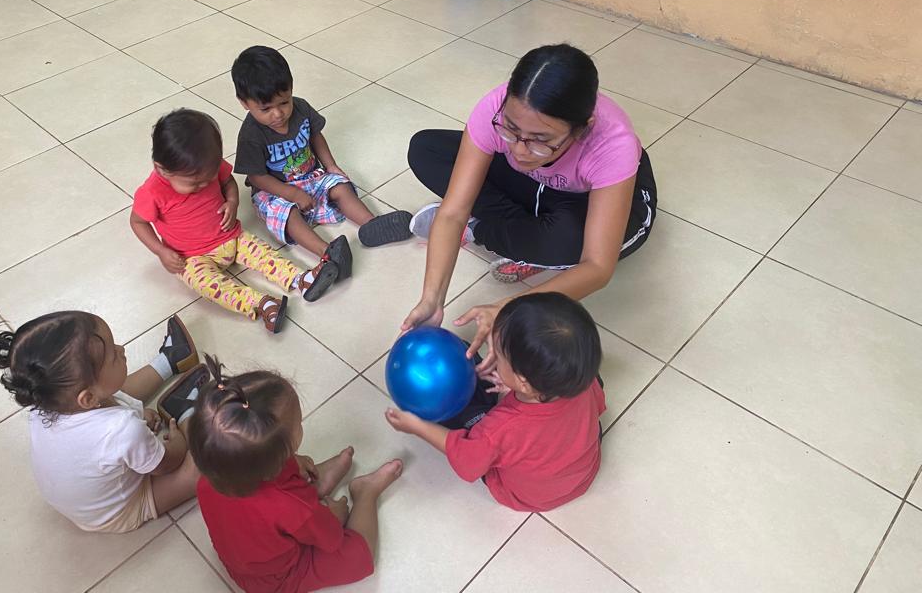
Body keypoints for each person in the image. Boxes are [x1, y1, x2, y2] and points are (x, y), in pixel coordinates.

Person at [402, 43, 657, 370]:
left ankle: (484, 230)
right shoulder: (496, 109)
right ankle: (521, 236)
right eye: (511, 130)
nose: (520, 150)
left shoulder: (611, 144)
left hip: (590, 198)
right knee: (426, 149)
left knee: (571, 244)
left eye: (540, 139)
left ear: (582, 129)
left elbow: (597, 267)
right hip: (537, 182)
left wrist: (509, 308)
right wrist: (431, 299)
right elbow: (451, 212)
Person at [189, 356, 404, 593]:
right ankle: (365, 492)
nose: (301, 426)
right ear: (281, 455)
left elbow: (260, 499)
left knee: (288, 505)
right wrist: (334, 515)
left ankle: (313, 484)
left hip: (244, 558)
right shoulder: (292, 507)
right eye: (299, 424)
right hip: (275, 579)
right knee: (358, 558)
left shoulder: (212, 475)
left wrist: (294, 461)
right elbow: (332, 538)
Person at [0, 311, 204, 533]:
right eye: (113, 356)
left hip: (82, 497)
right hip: (117, 511)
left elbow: (99, 433)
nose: (121, 349)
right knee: (199, 470)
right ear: (87, 399)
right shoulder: (123, 430)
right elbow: (168, 463)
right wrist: (178, 440)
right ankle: (185, 412)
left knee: (113, 391)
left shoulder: (44, 402)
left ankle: (171, 359)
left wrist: (137, 418)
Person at [386, 292, 605, 512]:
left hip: (528, 496)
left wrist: (417, 426)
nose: (493, 357)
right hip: (580, 474)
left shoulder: (498, 430)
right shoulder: (583, 383)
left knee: (461, 417)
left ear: (523, 381)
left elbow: (466, 460)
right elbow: (597, 407)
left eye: (498, 355)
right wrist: (510, 388)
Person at [130, 108, 341, 334]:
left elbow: (228, 182)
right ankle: (262, 304)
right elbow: (138, 222)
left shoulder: (208, 164)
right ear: (162, 169)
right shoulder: (152, 192)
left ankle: (302, 279)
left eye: (209, 178)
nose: (204, 185)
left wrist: (232, 202)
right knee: (209, 286)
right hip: (190, 257)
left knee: (264, 254)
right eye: (194, 183)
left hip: (232, 236)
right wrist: (160, 251)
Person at [232, 46, 413, 281]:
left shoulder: (301, 108)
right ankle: (328, 254)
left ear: (291, 88)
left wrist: (331, 166)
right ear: (244, 103)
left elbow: (316, 136)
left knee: (340, 185)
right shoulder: (251, 135)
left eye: (284, 103)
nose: (278, 114)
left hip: (311, 176)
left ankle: (372, 225)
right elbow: (257, 177)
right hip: (276, 191)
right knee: (285, 214)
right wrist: (292, 194)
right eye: (266, 109)